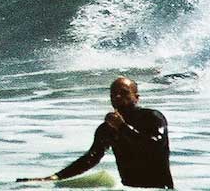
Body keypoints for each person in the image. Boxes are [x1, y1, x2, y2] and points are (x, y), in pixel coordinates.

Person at [16, 77, 174, 189]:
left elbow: (154, 144)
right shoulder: (106, 128)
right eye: (113, 94)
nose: (117, 97)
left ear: (136, 97)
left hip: (160, 188)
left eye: (124, 93)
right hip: (129, 188)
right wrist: (55, 177)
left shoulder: (152, 117)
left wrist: (122, 127)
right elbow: (91, 158)